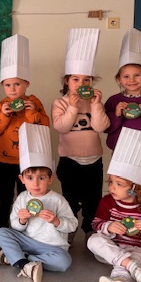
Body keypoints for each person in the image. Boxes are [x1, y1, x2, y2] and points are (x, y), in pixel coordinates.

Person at [88, 128, 141, 282]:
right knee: (93, 240)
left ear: (134, 188)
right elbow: (96, 223)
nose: (112, 187)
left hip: (138, 250)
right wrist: (109, 227)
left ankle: (120, 280)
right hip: (112, 247)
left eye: (119, 184)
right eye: (111, 182)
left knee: (138, 258)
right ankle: (133, 267)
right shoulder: (107, 202)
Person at [0, 124, 77, 282]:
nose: (36, 183)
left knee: (64, 262)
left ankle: (19, 258)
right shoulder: (22, 198)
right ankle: (24, 264)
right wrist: (21, 220)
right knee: (2, 232)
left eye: (41, 178)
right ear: (22, 179)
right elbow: (15, 227)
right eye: (30, 178)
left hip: (52, 247)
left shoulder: (58, 200)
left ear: (50, 178)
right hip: (27, 241)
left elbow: (72, 225)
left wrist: (56, 221)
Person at [51, 29, 110, 242]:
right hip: (70, 161)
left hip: (94, 160)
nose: (81, 84)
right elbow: (61, 127)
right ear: (67, 81)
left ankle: (90, 228)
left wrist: (96, 105)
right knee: (70, 199)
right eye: (76, 79)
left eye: (87, 80)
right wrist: (73, 108)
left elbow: (101, 126)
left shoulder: (94, 103)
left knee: (93, 198)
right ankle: (70, 226)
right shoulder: (60, 103)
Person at [0, 35, 50, 231]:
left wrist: (32, 111)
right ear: (2, 86)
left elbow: (44, 126)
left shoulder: (35, 102)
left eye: (17, 84)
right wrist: (4, 115)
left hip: (28, 161)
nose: (13, 89)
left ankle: (27, 224)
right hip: (4, 160)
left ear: (27, 84)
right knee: (4, 193)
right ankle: (2, 222)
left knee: (27, 194)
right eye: (8, 85)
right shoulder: (1, 105)